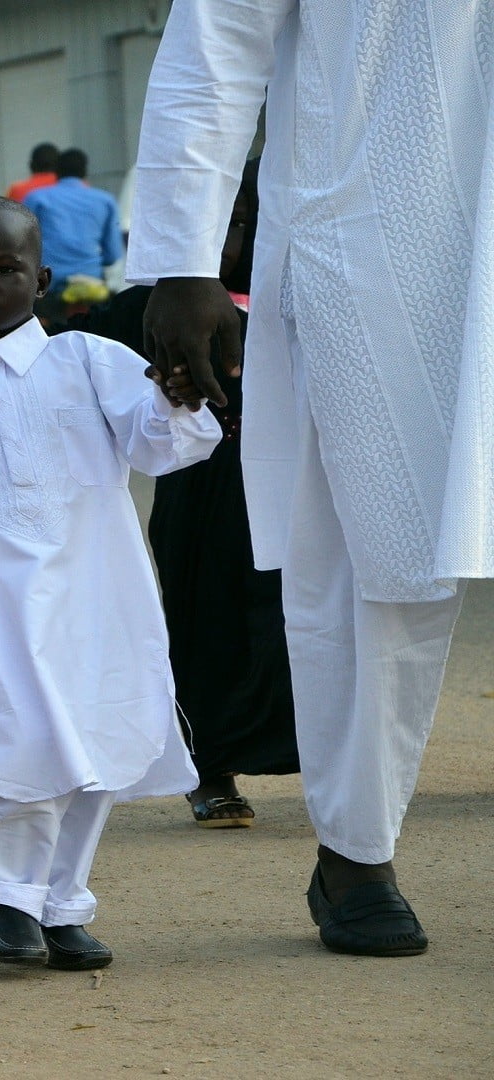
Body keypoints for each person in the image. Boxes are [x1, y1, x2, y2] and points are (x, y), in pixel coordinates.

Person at [128, 0, 492, 958]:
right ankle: (357, 850)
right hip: (376, 238)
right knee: (378, 556)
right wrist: (184, 258)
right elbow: (211, 55)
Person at [0, 196, 220, 971]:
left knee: (97, 747)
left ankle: (61, 904)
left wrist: (175, 392)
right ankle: (5, 898)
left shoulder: (90, 359)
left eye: (2, 268)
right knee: (20, 746)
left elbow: (162, 444)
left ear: (44, 276)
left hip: (101, 597)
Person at [68, 161, 298, 829]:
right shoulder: (158, 306)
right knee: (207, 623)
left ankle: (320, 755)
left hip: (290, 488)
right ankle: (211, 765)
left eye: (253, 224)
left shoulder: (297, 298)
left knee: (293, 624)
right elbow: (83, 368)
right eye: (225, 224)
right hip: (204, 499)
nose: (238, 239)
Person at [21, 149, 122, 304]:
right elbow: (113, 255)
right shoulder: (105, 201)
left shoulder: (37, 198)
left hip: (49, 285)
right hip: (92, 284)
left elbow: (22, 243)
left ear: (57, 171)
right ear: (85, 171)